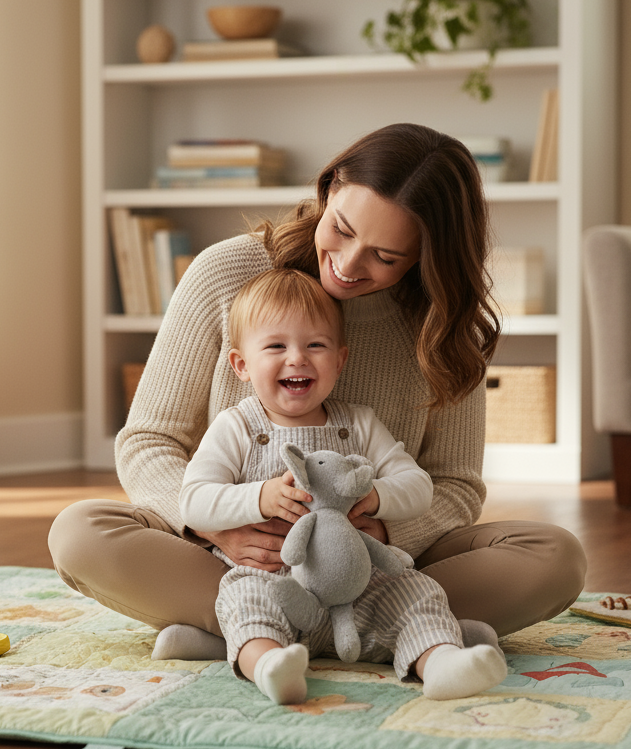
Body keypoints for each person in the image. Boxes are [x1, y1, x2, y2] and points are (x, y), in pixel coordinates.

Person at [49, 122, 586, 665]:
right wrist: (219, 525)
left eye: (386, 256)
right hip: (233, 559)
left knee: (555, 557)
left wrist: (375, 532)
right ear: (329, 189)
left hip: (381, 566)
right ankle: (395, 631)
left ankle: (253, 633)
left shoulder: (445, 329)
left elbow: (455, 485)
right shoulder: (225, 274)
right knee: (79, 534)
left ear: (427, 256)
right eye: (343, 229)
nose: (349, 265)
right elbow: (148, 441)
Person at [180, 268, 507, 704]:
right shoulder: (236, 427)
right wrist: (258, 498)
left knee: (413, 591)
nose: (297, 358)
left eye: (315, 345)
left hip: (360, 582)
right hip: (272, 577)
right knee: (245, 599)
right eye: (276, 346)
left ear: (340, 360)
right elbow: (193, 500)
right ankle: (270, 667)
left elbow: (418, 485)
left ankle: (442, 663)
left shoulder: (359, 424)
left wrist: (377, 498)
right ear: (241, 364)